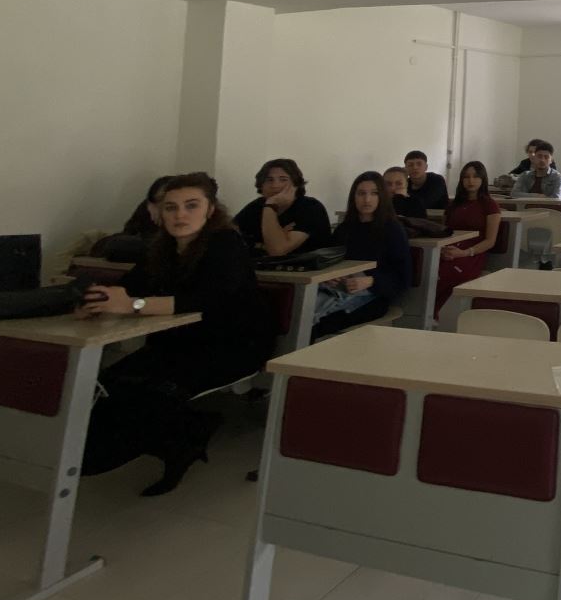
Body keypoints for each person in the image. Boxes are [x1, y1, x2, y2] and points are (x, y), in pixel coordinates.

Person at [78, 173, 274, 496]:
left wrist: (134, 305)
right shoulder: (161, 248)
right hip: (176, 343)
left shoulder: (226, 243)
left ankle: (181, 438)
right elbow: (131, 287)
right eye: (171, 207)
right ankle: (181, 436)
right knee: (108, 384)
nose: (180, 215)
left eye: (191, 205)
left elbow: (207, 301)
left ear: (210, 209)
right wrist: (97, 302)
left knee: (150, 392)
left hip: (232, 345)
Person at [312, 172, 409, 340]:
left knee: (318, 324)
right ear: (353, 197)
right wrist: (330, 277)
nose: (367, 199)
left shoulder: (393, 229)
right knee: (299, 314)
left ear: (382, 197)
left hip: (373, 296)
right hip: (336, 290)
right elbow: (330, 262)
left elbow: (403, 278)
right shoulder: (344, 229)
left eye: (374, 193)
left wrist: (371, 281)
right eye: (361, 193)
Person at [435, 161, 503, 316]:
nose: (471, 181)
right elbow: (444, 232)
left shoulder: (490, 205)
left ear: (483, 179)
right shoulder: (453, 205)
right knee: (427, 269)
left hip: (473, 253)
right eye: (466, 177)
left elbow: (490, 241)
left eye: (475, 176)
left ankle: (436, 313)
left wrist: (465, 252)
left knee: (448, 273)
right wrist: (443, 249)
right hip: (449, 249)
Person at [233, 159, 331, 257]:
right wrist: (263, 245)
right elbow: (230, 238)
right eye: (269, 180)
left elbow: (277, 251)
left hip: (304, 265)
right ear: (261, 185)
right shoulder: (256, 206)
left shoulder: (310, 207)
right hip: (260, 265)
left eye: (283, 179)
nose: (275, 185)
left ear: (296, 185)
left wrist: (270, 206)